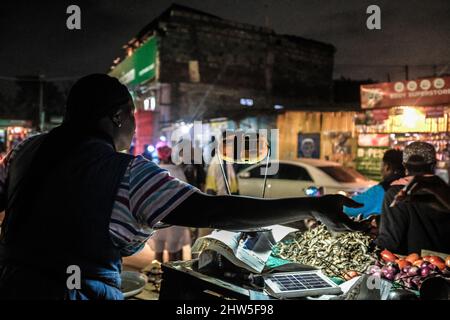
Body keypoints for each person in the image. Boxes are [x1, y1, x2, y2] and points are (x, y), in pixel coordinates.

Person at [0, 74, 365, 300]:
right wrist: (311, 207)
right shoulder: (128, 172)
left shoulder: (25, 150)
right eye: (131, 117)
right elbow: (213, 210)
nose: (135, 128)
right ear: (116, 117)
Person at [376, 141, 450, 255]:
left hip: (417, 267)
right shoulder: (445, 191)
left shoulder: (396, 193)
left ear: (405, 166)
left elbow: (389, 242)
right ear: (433, 165)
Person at [148, 145, 191, 262]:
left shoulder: (153, 170)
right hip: (175, 219)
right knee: (174, 251)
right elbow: (185, 194)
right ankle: (172, 277)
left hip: (157, 217)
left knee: (158, 252)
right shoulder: (177, 171)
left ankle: (157, 276)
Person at [344, 149, 405, 218]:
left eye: (382, 165)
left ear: (387, 167)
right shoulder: (410, 186)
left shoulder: (380, 191)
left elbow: (347, 208)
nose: (381, 169)